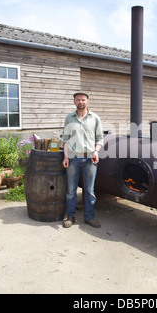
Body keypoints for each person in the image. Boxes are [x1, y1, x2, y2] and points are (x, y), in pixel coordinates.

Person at [62, 92, 104, 228]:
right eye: (78, 100)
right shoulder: (69, 118)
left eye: (83, 100)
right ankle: (70, 216)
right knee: (71, 190)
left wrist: (96, 151)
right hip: (73, 158)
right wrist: (65, 156)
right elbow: (66, 139)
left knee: (90, 191)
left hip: (90, 159)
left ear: (87, 101)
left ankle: (89, 217)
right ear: (74, 102)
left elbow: (99, 139)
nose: (81, 102)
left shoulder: (95, 118)